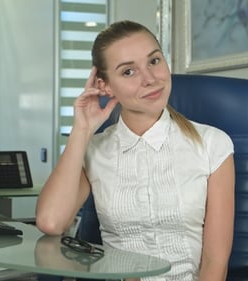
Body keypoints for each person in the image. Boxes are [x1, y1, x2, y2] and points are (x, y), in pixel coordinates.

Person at [35, 20, 235, 281]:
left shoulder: (212, 144)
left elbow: (214, 263)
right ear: (105, 86)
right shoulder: (93, 151)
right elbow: (51, 222)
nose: (150, 79)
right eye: (128, 72)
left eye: (154, 61)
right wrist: (81, 131)